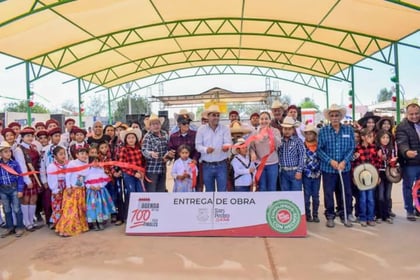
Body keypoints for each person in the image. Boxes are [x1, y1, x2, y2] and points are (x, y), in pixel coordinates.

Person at [318, 104, 354, 228]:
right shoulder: (323, 131)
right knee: (328, 193)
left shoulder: (348, 130)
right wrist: (330, 161)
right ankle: (330, 216)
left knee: (345, 192)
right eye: (332, 115)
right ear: (329, 117)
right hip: (328, 169)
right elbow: (319, 150)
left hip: (344, 168)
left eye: (337, 115)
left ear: (340, 116)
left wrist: (344, 161)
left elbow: (351, 148)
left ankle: (345, 214)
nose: (334, 118)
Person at [195, 105, 232, 192]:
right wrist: (205, 149)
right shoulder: (201, 129)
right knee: (209, 191)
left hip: (221, 165)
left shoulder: (225, 129)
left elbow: (228, 142)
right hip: (206, 165)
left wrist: (226, 147)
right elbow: (198, 146)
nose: (216, 117)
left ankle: (221, 206)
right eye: (213, 115)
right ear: (208, 116)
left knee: (222, 191)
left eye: (217, 115)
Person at [55, 147, 90, 237]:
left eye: (85, 154)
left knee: (79, 210)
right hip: (72, 189)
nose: (84, 155)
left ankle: (79, 226)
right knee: (70, 210)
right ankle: (66, 229)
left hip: (81, 190)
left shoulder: (87, 164)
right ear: (77, 155)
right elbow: (68, 175)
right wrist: (68, 187)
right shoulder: (72, 163)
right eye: (81, 153)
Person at [395, 103, 420, 221]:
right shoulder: (402, 127)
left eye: (417, 113)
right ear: (406, 114)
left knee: (419, 188)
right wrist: (406, 152)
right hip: (410, 163)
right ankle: (409, 210)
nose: (414, 116)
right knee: (408, 187)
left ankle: (418, 208)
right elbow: (401, 142)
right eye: (411, 114)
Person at [352, 128, 381, 227]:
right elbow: (354, 164)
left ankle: (371, 217)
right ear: (363, 137)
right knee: (362, 198)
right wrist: (354, 177)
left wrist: (377, 176)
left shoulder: (374, 148)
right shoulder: (357, 149)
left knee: (371, 198)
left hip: (372, 177)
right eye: (369, 136)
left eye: (372, 136)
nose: (372, 138)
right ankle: (362, 217)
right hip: (360, 178)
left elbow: (377, 163)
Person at [16, 127, 42, 231]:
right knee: (25, 199)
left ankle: (32, 221)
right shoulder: (19, 149)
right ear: (22, 137)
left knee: (34, 199)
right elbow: (21, 166)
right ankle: (26, 222)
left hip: (34, 175)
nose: (30, 138)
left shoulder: (33, 148)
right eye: (27, 136)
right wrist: (27, 180)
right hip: (26, 176)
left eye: (31, 136)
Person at [118, 128, 145, 224]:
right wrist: (134, 173)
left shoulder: (139, 149)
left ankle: (140, 214)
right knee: (131, 193)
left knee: (140, 192)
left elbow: (142, 162)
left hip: (139, 174)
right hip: (129, 175)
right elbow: (122, 165)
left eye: (133, 137)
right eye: (129, 138)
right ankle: (129, 215)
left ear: (136, 139)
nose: (131, 139)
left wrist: (141, 172)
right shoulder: (123, 150)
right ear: (126, 140)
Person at [249, 111, 281, 191]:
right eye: (262, 119)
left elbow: (279, 145)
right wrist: (252, 153)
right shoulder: (255, 132)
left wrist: (270, 135)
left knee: (272, 187)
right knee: (262, 187)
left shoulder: (275, 131)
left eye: (266, 119)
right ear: (259, 121)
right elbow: (251, 147)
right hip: (260, 164)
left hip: (273, 164)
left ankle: (271, 204)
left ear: (270, 120)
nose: (264, 121)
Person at [142, 114, 173, 192]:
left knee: (161, 191)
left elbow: (168, 148)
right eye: (153, 124)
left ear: (160, 124)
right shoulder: (147, 136)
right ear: (150, 126)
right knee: (151, 191)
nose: (156, 126)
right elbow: (144, 150)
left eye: (157, 123)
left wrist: (168, 156)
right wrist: (150, 153)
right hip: (152, 170)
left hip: (162, 168)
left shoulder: (165, 134)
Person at [85, 154, 116, 230]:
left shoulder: (101, 170)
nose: (95, 163)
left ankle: (101, 221)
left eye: (97, 161)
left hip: (100, 192)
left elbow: (106, 180)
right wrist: (90, 186)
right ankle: (94, 223)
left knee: (100, 206)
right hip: (92, 193)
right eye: (93, 161)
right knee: (92, 207)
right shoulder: (87, 171)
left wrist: (100, 186)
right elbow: (85, 182)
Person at [0, 141, 25, 238]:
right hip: (3, 190)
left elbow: (20, 177)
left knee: (17, 209)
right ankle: (9, 227)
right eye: (5, 152)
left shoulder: (14, 164)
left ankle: (19, 227)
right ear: (1, 153)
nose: (8, 153)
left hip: (14, 188)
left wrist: (20, 190)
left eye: (9, 151)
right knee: (6, 209)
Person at [375, 129, 396, 224]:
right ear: (379, 138)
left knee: (387, 195)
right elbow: (374, 162)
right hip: (379, 173)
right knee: (380, 195)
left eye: (387, 137)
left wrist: (392, 161)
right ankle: (379, 215)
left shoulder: (392, 148)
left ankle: (386, 215)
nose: (385, 139)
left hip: (389, 173)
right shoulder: (376, 148)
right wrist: (379, 157)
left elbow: (395, 160)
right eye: (383, 137)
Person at [278, 116, 305, 191]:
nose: (287, 131)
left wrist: (299, 171)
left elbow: (302, 156)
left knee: (296, 193)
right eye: (285, 129)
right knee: (286, 194)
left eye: (289, 129)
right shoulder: (279, 141)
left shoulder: (298, 141)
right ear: (282, 129)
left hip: (295, 171)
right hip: (283, 172)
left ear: (293, 130)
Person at [302, 124, 321, 223]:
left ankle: (315, 214)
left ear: (314, 135)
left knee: (316, 195)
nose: (309, 136)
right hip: (306, 174)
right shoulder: (302, 145)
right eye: (307, 134)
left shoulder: (318, 145)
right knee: (306, 195)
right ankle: (307, 214)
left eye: (311, 134)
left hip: (317, 174)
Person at [46, 146, 67, 228]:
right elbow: (51, 179)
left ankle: (65, 221)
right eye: (61, 154)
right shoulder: (52, 166)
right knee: (57, 206)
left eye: (64, 154)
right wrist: (55, 190)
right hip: (58, 188)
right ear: (55, 156)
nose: (63, 156)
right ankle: (56, 222)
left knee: (66, 205)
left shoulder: (67, 164)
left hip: (66, 188)